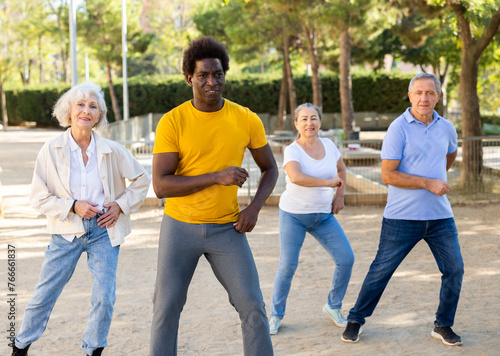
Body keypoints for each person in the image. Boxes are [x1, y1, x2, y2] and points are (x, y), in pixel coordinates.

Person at [149, 36, 278, 356]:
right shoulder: (172, 121)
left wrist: (254, 208)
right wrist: (216, 177)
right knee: (166, 307)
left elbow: (270, 169)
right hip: (180, 226)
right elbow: (161, 186)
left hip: (227, 229)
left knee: (252, 304)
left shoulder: (245, 118)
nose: (212, 81)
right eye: (204, 75)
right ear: (189, 77)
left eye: (218, 74)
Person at [12, 82, 151, 356]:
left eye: (92, 106)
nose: (86, 110)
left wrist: (120, 206)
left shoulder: (113, 149)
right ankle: (20, 346)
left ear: (98, 116)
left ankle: (93, 350)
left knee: (104, 297)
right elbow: (38, 197)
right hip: (67, 231)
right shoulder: (51, 149)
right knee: (45, 293)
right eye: (80, 105)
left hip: (103, 230)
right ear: (69, 110)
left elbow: (141, 180)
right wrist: (73, 206)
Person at [341, 73, 464, 346]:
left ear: (438, 97)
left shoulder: (447, 128)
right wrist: (427, 182)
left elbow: (450, 155)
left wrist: (436, 177)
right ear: (410, 96)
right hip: (401, 217)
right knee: (381, 270)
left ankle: (443, 325)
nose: (424, 98)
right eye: (418, 92)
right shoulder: (398, 128)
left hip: (440, 217)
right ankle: (355, 319)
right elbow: (388, 174)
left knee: (455, 269)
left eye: (430, 93)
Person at [268, 103, 354, 335]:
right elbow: (295, 177)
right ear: (296, 124)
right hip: (294, 215)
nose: (309, 123)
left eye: (313, 118)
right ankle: (275, 315)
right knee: (288, 266)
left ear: (320, 122)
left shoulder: (329, 145)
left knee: (346, 259)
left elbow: (342, 170)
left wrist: (339, 196)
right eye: (304, 119)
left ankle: (333, 306)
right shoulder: (292, 150)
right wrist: (328, 183)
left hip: (323, 216)